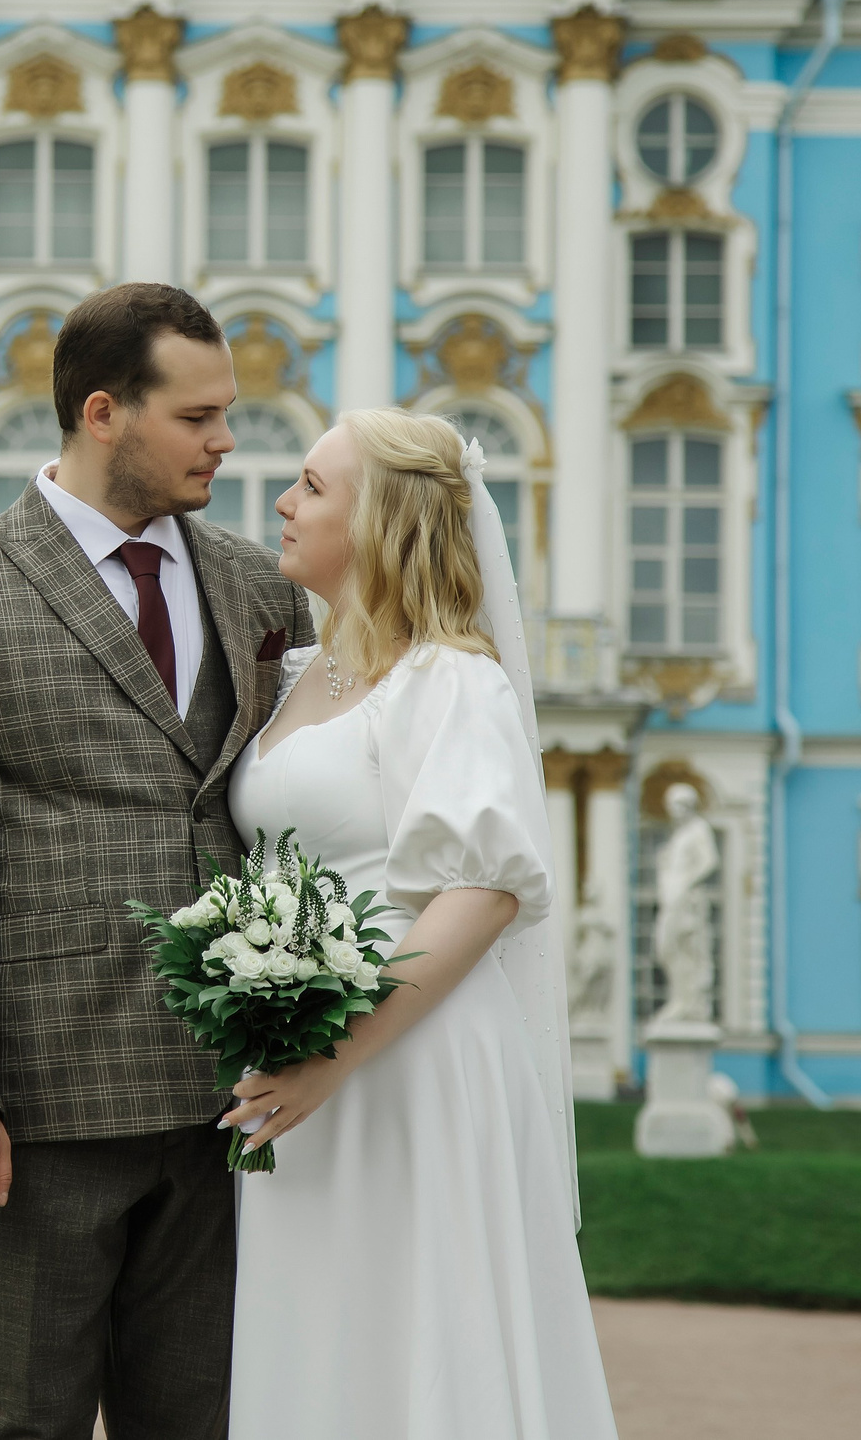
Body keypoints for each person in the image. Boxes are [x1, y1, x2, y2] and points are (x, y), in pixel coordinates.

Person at [0, 281, 313, 1440]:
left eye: (227, 414)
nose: (226, 440)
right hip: (39, 1112)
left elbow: (295, 821)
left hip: (227, 1114)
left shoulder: (262, 589)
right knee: (21, 1425)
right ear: (102, 412)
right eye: (197, 417)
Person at [222, 407, 617, 1439]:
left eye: (312, 485)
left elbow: (481, 893)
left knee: (421, 1333)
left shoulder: (453, 680)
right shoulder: (293, 678)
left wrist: (334, 1050)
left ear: (381, 520)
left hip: (410, 1056)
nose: (282, 501)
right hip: (302, 1064)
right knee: (319, 1340)